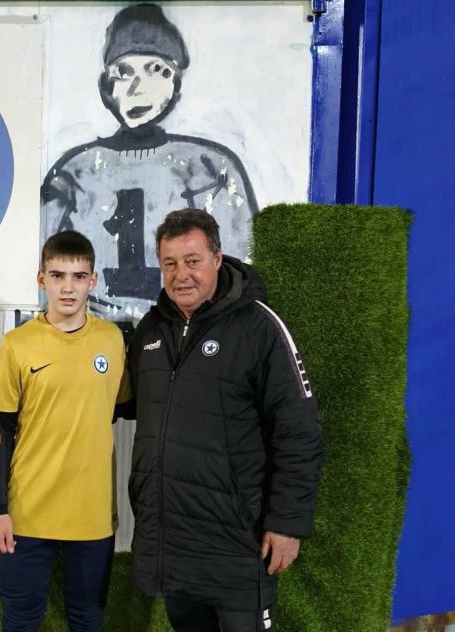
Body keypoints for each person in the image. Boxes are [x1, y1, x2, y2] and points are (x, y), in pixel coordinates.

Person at [124, 209, 324, 631]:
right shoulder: (150, 331)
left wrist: (286, 525)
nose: (181, 274)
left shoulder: (259, 328)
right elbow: (125, 403)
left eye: (192, 261)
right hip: (174, 548)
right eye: (169, 263)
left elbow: (299, 432)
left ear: (217, 258)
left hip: (238, 547)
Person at [42, 3, 257, 330]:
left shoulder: (211, 167)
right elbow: (44, 276)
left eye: (156, 70)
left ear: (176, 84)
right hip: (94, 337)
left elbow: (239, 269)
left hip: (183, 334)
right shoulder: (74, 172)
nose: (137, 87)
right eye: (124, 72)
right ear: (106, 87)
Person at [0, 230, 131, 631]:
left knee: (87, 618)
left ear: (93, 281)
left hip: (92, 513)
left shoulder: (112, 340)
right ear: (41, 279)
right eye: (57, 275)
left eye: (78, 276)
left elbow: (121, 406)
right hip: (28, 512)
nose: (68, 287)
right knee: (21, 620)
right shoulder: (17, 344)